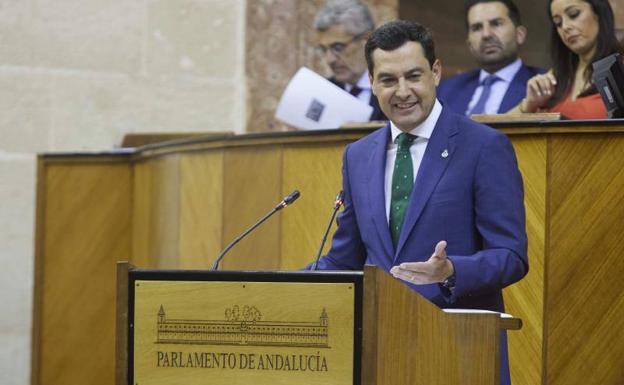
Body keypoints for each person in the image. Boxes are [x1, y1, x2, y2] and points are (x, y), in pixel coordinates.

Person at [309, 20, 528, 385]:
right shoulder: (358, 156)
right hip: (378, 353)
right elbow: (343, 259)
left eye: (414, 76)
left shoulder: (483, 147)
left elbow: (511, 256)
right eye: (388, 80)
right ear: (373, 81)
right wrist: (281, 284)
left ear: (436, 72)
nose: (403, 91)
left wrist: (451, 271)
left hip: (458, 351)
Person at [509, 0, 623, 119]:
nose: (565, 27)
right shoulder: (556, 76)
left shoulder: (620, 68)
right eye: (558, 23)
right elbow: (495, 130)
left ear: (598, 13)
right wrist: (530, 104)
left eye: (574, 14)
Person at [437, 0, 544, 115]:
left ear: (520, 35)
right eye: (477, 28)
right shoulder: (446, 90)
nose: (486, 35)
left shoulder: (543, 85)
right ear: (469, 44)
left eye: (496, 24)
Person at [314, 0, 387, 121]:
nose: (329, 59)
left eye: (338, 47)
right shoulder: (323, 93)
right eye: (323, 49)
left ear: (366, 40)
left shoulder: (392, 87)